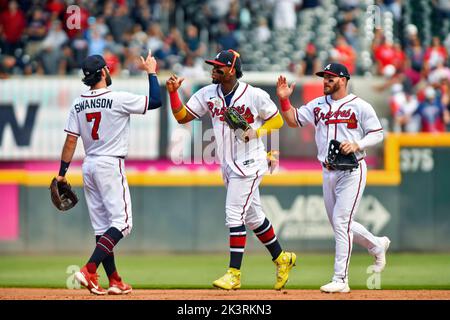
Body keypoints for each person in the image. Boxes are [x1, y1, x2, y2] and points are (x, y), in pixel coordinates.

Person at [166, 49, 296, 290]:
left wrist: (256, 133)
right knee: (254, 218)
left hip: (250, 162)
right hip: (227, 163)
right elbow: (183, 117)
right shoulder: (207, 93)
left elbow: (277, 120)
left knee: (234, 214)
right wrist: (173, 94)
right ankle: (282, 258)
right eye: (213, 66)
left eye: (218, 66)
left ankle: (234, 274)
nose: (213, 70)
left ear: (232, 70)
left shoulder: (254, 95)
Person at [276, 63, 390, 293]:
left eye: (330, 77)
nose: (325, 81)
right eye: (324, 77)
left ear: (343, 80)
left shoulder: (360, 105)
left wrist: (358, 143)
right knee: (340, 224)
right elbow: (293, 120)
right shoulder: (318, 104)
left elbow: (378, 133)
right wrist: (284, 100)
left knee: (341, 223)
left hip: (352, 171)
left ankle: (341, 279)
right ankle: (377, 244)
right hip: (327, 170)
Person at [55, 51, 162, 295]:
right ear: (104, 72)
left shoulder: (78, 103)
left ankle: (114, 280)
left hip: (89, 165)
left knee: (103, 227)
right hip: (110, 164)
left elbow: (71, 141)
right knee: (123, 224)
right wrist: (152, 72)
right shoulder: (117, 98)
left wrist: (62, 173)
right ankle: (89, 269)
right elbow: (155, 101)